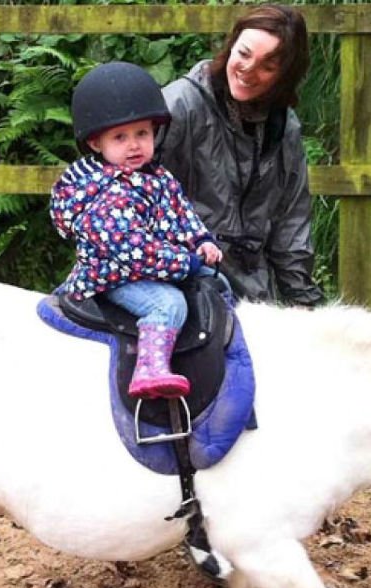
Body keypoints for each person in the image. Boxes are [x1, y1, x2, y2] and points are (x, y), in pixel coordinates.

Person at [50, 61, 223, 401]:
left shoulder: (157, 177)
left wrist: (200, 241)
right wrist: (182, 262)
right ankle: (150, 369)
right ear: (96, 144)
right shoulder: (104, 194)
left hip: (156, 264)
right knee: (169, 305)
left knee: (218, 282)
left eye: (142, 134)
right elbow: (133, 250)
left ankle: (218, 353)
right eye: (120, 137)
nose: (134, 145)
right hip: (114, 276)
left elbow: (181, 214)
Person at [157, 4, 324, 307]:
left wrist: (303, 303)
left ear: (286, 75)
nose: (248, 70)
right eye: (244, 54)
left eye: (267, 66)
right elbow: (125, 195)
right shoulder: (178, 105)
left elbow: (291, 224)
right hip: (178, 284)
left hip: (254, 295)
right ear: (231, 46)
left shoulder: (284, 128)